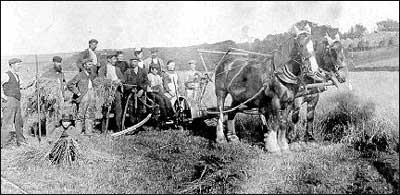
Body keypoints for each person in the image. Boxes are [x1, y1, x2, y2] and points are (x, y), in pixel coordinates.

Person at [1, 58, 35, 148]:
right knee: (7, 123)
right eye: (18, 64)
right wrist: (3, 96)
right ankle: (5, 144)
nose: (20, 66)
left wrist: (32, 82)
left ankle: (21, 142)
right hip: (9, 101)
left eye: (20, 64)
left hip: (17, 101)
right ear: (12, 65)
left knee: (19, 123)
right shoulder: (6, 75)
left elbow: (22, 86)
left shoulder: (17, 76)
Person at [66, 59, 96, 136]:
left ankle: (88, 133)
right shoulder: (80, 75)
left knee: (90, 114)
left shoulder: (92, 75)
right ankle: (77, 133)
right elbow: (70, 84)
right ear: (84, 65)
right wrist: (78, 93)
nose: (91, 66)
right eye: (89, 64)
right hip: (83, 97)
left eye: (91, 64)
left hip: (91, 95)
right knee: (80, 115)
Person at [98, 54, 125, 132]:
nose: (115, 60)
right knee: (105, 109)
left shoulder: (117, 69)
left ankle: (118, 128)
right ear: (109, 60)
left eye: (116, 59)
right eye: (114, 59)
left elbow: (122, 78)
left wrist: (119, 81)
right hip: (107, 91)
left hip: (116, 91)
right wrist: (111, 82)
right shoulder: (103, 69)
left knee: (118, 109)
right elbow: (100, 79)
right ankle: (103, 129)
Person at [123, 57, 150, 124]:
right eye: (132, 61)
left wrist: (142, 90)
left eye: (135, 61)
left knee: (140, 109)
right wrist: (131, 89)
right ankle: (133, 124)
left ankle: (139, 124)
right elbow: (124, 83)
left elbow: (146, 82)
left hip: (141, 93)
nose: (133, 63)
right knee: (131, 110)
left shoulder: (143, 71)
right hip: (131, 94)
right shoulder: (127, 72)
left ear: (138, 62)